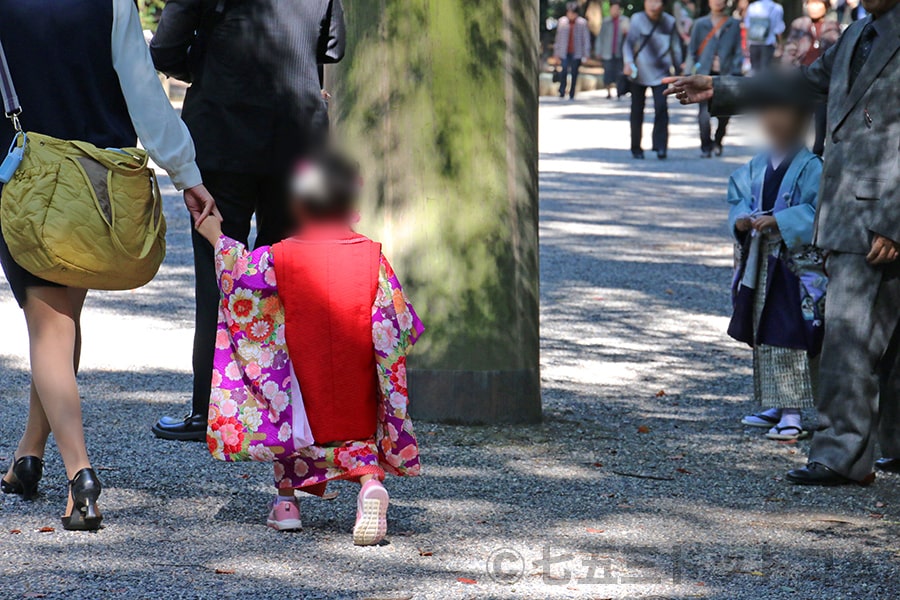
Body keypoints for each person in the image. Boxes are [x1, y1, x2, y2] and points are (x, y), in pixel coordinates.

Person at [665, 0, 900, 486]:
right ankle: (883, 447)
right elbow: (800, 82)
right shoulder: (859, 35)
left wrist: (893, 219)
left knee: (850, 337)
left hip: (881, 213)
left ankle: (839, 455)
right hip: (853, 211)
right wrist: (719, 87)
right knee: (875, 338)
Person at [0, 0, 214, 530]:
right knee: (61, 322)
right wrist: (186, 174)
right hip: (98, 185)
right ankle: (28, 457)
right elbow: (144, 92)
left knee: (49, 329)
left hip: (28, 179)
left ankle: (82, 476)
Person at [195, 153, 423, 546]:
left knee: (286, 410)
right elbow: (394, 323)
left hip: (302, 374)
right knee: (359, 432)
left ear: (297, 205)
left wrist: (216, 234)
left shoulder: (279, 256)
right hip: (355, 378)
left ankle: (286, 506)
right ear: (352, 204)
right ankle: (369, 485)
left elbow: (238, 278)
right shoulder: (372, 256)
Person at [149, 0, 345, 442]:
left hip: (222, 129)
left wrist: (213, 67)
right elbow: (332, 47)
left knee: (216, 272)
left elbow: (163, 51)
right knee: (292, 277)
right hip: (297, 137)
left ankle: (210, 410)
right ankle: (292, 409)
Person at [728, 107, 826, 442]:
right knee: (763, 332)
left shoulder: (811, 166)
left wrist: (780, 221)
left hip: (791, 267)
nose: (773, 122)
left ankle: (793, 413)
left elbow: (817, 211)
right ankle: (774, 403)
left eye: (782, 115)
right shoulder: (759, 162)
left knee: (789, 335)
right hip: (761, 261)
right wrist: (741, 218)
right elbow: (737, 197)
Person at [623, 0, 682, 159]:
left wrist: (679, 72)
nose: (652, 5)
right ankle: (636, 148)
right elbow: (628, 44)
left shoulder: (669, 22)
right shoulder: (637, 19)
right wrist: (628, 62)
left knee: (661, 109)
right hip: (639, 72)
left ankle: (660, 146)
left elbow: (675, 48)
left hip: (661, 73)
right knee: (637, 110)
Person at [686, 0, 744, 157]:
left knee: (724, 112)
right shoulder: (700, 24)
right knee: (703, 112)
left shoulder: (733, 24)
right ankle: (705, 145)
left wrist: (736, 71)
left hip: (726, 74)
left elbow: (739, 50)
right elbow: (692, 50)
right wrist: (688, 74)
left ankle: (718, 141)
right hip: (704, 73)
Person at [782, 0, 840, 155]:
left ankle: (817, 154)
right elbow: (790, 48)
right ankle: (795, 154)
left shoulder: (833, 25)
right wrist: (787, 70)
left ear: (826, 6)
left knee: (821, 122)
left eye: (818, 3)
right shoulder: (799, 24)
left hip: (821, 80)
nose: (813, 7)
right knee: (797, 119)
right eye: (811, 3)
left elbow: (836, 52)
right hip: (801, 76)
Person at [553, 2, 592, 100]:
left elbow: (586, 38)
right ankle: (562, 90)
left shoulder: (582, 23)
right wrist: (556, 53)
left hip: (577, 52)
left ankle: (572, 92)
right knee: (564, 70)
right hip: (564, 51)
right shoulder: (562, 22)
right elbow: (558, 38)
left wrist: (586, 53)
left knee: (574, 72)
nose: (570, 15)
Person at [595, 0, 631, 99]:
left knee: (620, 73)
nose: (615, 11)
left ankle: (619, 91)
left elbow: (630, 36)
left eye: (617, 9)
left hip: (620, 52)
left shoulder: (625, 20)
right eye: (613, 8)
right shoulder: (606, 21)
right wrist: (599, 51)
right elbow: (600, 37)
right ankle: (608, 92)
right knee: (607, 73)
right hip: (607, 51)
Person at [745, 0, 786, 73]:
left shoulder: (752, 6)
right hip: (768, 43)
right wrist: (780, 44)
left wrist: (746, 43)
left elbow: (747, 26)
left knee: (754, 70)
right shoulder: (776, 8)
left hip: (753, 42)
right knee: (766, 70)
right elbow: (778, 29)